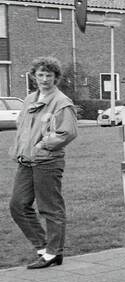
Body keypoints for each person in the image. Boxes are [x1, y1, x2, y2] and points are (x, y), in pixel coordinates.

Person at [9, 57, 79, 269]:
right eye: (40, 75)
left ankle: (53, 252)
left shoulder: (61, 102)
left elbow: (68, 132)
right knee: (18, 206)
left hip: (47, 162)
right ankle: (43, 247)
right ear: (34, 76)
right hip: (26, 161)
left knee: (50, 209)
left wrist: (43, 146)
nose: (44, 79)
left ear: (56, 78)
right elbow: (22, 129)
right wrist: (20, 150)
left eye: (49, 75)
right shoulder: (30, 99)